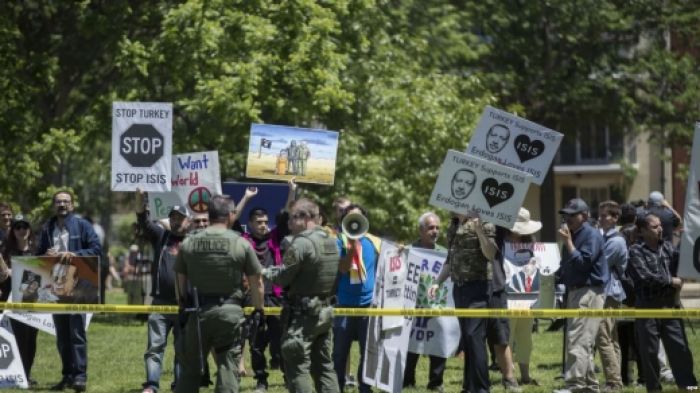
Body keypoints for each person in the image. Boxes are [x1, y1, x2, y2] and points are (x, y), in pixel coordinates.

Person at [174, 195, 264, 393]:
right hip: (230, 313)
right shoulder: (241, 243)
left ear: (210, 215)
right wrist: (258, 310)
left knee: (190, 369)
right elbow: (257, 282)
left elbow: (179, 278)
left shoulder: (189, 243)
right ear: (230, 215)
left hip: (198, 313)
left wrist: (181, 306)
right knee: (227, 366)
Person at [263, 197, 340, 393]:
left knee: (297, 367)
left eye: (292, 218)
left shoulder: (301, 244)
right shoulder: (331, 242)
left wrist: (263, 271)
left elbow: (283, 277)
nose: (289, 223)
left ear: (306, 218)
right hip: (324, 312)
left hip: (302, 317)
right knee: (324, 366)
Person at [37, 190, 101, 392]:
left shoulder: (82, 225)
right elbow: (38, 255)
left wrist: (74, 254)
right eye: (58, 202)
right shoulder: (47, 228)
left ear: (72, 206)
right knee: (62, 335)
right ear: (54, 206)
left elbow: (96, 249)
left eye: (66, 202)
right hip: (55, 287)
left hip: (77, 285)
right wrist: (45, 254)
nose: (62, 205)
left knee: (76, 333)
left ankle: (80, 377)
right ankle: (67, 376)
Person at [627, 213, 698, 392]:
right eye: (654, 226)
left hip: (670, 307)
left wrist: (688, 239)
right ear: (642, 231)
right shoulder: (635, 251)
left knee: (680, 351)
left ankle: (689, 388)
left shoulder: (667, 247)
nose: (660, 229)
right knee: (650, 354)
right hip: (647, 309)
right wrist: (670, 281)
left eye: (660, 225)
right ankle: (654, 389)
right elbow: (644, 277)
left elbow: (685, 262)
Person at [429, 211, 497, 393]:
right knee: (467, 339)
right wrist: (437, 282)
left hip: (479, 287)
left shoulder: (485, 222)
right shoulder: (453, 225)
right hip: (459, 288)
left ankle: (482, 389)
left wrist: (479, 230)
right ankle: (469, 387)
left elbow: (490, 254)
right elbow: (450, 260)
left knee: (474, 337)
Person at [135, 189, 191, 393]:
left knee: (182, 350)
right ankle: (151, 385)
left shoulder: (194, 241)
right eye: (173, 218)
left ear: (188, 221)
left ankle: (180, 385)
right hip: (159, 303)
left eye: (181, 218)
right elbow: (143, 220)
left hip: (185, 305)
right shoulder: (161, 236)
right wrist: (140, 198)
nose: (177, 222)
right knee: (154, 348)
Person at [553, 198, 609, 393]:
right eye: (565, 214)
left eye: (571, 214)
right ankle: (589, 386)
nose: (566, 218)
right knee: (582, 340)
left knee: (578, 339)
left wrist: (568, 242)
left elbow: (584, 263)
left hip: (589, 291)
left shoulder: (590, 235)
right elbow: (567, 266)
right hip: (575, 291)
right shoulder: (572, 235)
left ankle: (575, 385)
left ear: (584, 216)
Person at [334, 204, 380, 393]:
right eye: (350, 218)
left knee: (367, 351)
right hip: (345, 304)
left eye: (358, 218)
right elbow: (343, 269)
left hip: (368, 305)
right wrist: (351, 249)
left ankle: (365, 387)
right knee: (339, 352)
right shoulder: (339, 241)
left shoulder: (374, 243)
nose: (354, 222)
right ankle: (336, 386)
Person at [403, 212, 448, 392]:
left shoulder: (445, 254)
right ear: (421, 230)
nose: (435, 231)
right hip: (412, 307)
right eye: (430, 228)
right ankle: (407, 381)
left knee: (438, 343)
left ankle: (436, 383)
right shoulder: (409, 251)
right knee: (410, 345)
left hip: (436, 306)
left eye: (437, 227)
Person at [243, 206, 286, 392]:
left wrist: (292, 191)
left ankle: (287, 376)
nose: (263, 226)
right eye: (259, 222)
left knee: (281, 342)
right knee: (256, 343)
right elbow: (231, 219)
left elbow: (284, 217)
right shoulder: (243, 242)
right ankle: (261, 381)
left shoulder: (275, 238)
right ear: (250, 224)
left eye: (266, 222)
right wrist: (246, 198)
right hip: (253, 298)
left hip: (275, 297)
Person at [501, 207, 542, 386]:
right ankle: (509, 375)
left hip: (528, 299)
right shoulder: (499, 243)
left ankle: (525, 375)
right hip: (507, 298)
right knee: (507, 338)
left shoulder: (534, 246)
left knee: (525, 338)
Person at [0, 213, 39, 385]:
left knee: (31, 340)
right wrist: (6, 272)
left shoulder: (37, 250)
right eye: (18, 227)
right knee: (15, 339)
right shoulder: (5, 251)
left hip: (34, 303)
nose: (21, 230)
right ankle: (14, 375)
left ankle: (26, 375)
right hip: (11, 301)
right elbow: (1, 277)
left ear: (30, 230)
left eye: (24, 227)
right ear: (13, 231)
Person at [594, 201, 628, 392]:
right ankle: (616, 380)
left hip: (609, 294)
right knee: (611, 338)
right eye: (600, 215)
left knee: (603, 337)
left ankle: (614, 382)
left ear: (615, 218)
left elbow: (600, 264)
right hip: (609, 293)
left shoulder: (615, 241)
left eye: (605, 215)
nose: (600, 218)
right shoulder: (607, 238)